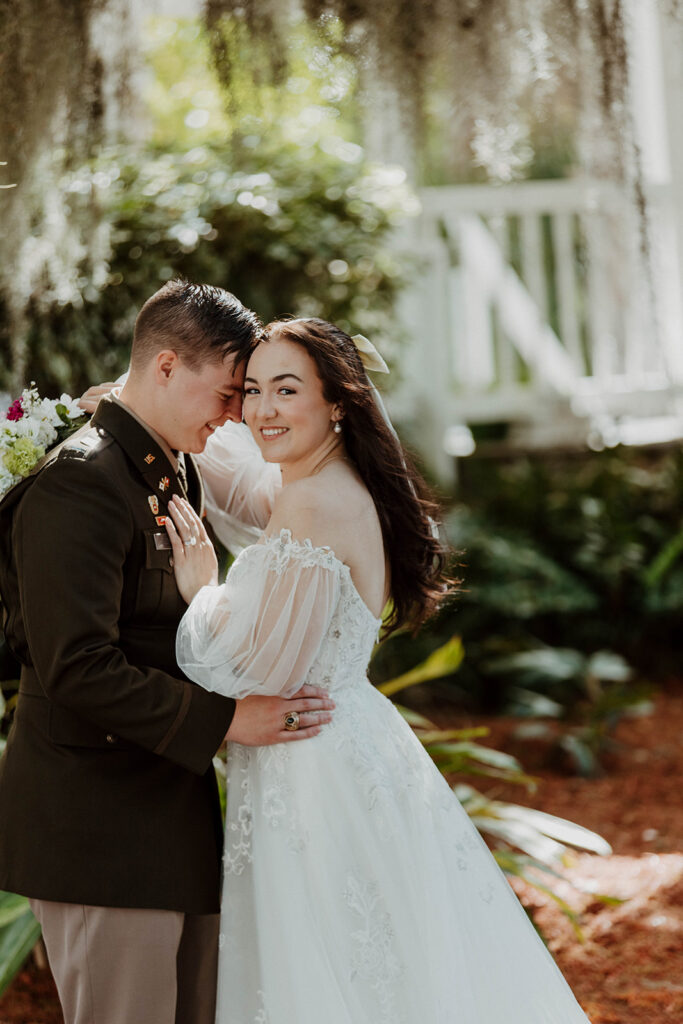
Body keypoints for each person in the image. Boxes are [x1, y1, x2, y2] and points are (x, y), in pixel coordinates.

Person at [165, 316, 592, 1024]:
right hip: (345, 746)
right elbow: (242, 484)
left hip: (313, 765)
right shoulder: (324, 483)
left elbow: (260, 667)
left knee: (338, 963)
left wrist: (201, 592)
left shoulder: (312, 501)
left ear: (336, 401)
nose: (262, 410)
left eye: (286, 389)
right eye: (252, 391)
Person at [0, 281, 334, 1024]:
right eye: (224, 395)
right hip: (97, 827)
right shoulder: (81, 483)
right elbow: (77, 664)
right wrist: (227, 722)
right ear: (164, 367)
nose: (234, 417)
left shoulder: (171, 467)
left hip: (167, 812)